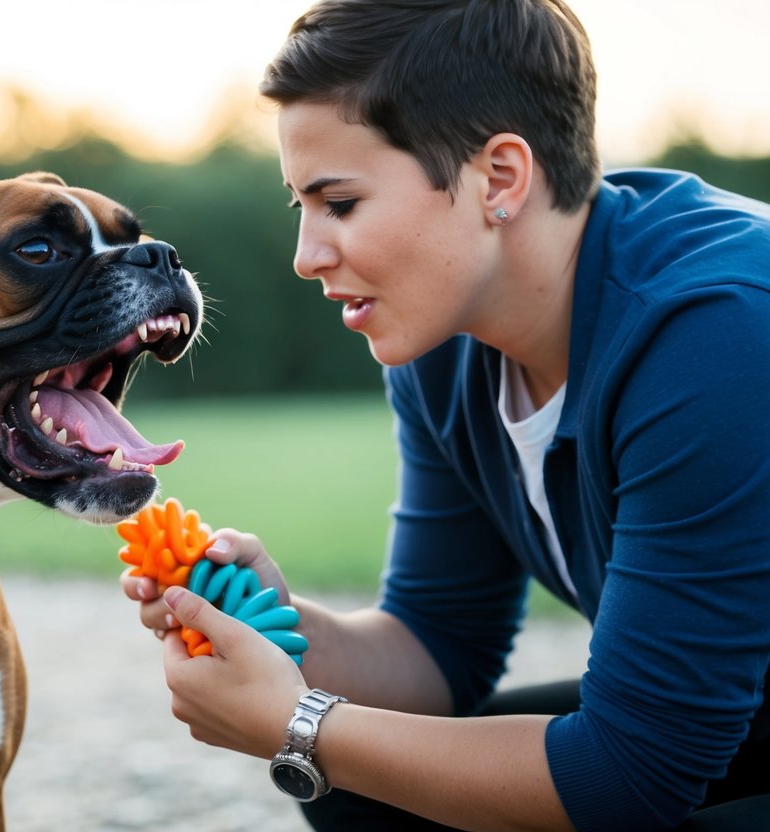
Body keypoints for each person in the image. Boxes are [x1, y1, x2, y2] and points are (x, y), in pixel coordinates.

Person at [120, 1, 770, 829]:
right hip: (739, 708)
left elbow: (629, 778)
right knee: (361, 788)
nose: (305, 255)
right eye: (299, 207)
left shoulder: (715, 331)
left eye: (340, 203)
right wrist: (276, 623)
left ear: (498, 177)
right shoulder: (443, 344)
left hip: (694, 739)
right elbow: (439, 642)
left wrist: (296, 723)